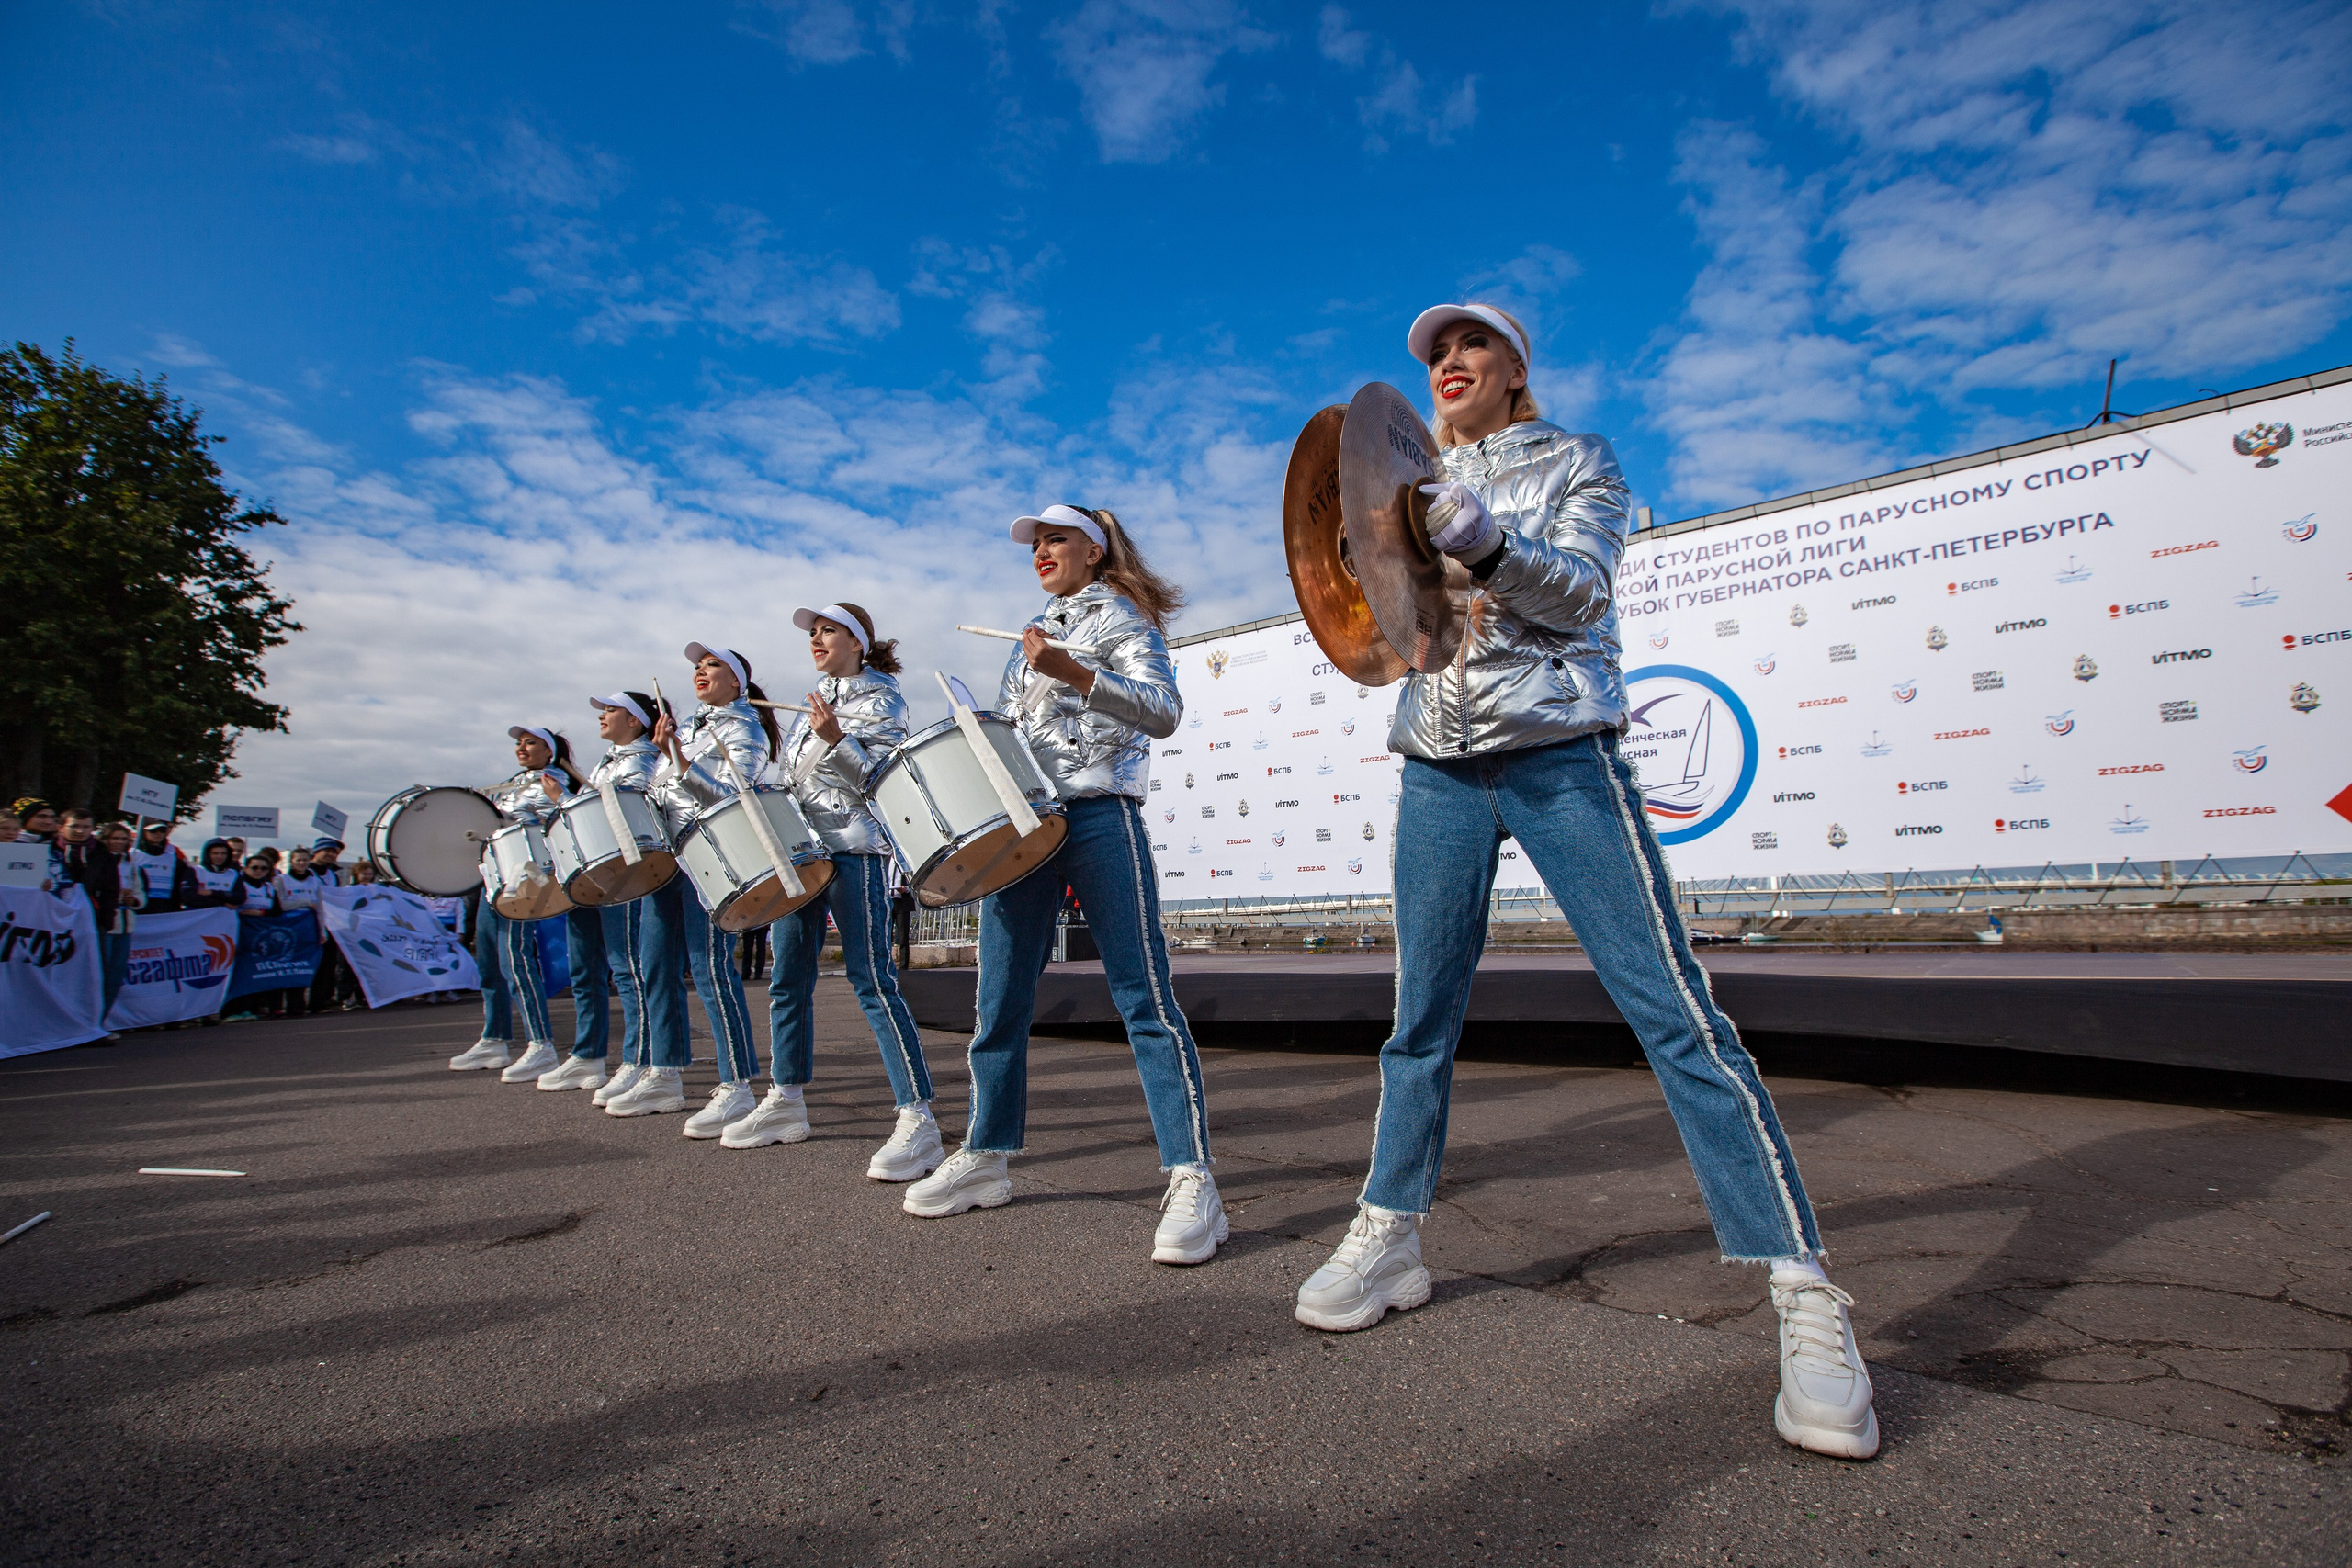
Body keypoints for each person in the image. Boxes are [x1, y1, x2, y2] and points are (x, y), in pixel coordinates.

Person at [1286, 302, 1880, 1461]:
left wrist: (1488, 541)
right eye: (1433, 355)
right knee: (1418, 1024)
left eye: (1471, 348)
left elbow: (1586, 595)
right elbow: (1379, 631)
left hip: (1563, 756)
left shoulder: (1579, 459)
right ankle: (1392, 1232)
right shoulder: (1397, 480)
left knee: (1675, 1017)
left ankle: (1803, 1295)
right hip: (1437, 772)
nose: (1447, 363)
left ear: (1516, 371)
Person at [903, 505, 1223, 1266]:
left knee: (1143, 997)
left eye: (1055, 539)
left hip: (1100, 811)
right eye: (1034, 543)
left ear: (1094, 547)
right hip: (1026, 824)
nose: (1041, 551)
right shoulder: (1028, 637)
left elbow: (1164, 710)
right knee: (999, 997)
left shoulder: (1121, 618)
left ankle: (1191, 1176)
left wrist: (1076, 671)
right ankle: (986, 1153)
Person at [730, 602, 939, 1179]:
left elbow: (875, 777)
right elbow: (799, 777)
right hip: (801, 854)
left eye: (829, 631)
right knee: (785, 979)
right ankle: (787, 1100)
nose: (817, 639)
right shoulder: (810, 700)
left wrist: (837, 736)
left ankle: (917, 1117)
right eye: (813, 632)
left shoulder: (882, 695)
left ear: (858, 642)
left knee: (871, 979)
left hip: (853, 849)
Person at [614, 644, 775, 1129]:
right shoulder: (687, 729)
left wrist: (678, 760)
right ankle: (664, 1073)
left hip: (705, 855)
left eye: (713, 665)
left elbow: (732, 795)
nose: (701, 672)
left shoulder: (744, 726)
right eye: (697, 667)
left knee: (710, 969)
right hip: (666, 857)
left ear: (737, 682)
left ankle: (737, 1084)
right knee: (655, 968)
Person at [530, 691, 665, 1097]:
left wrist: (563, 800)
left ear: (636, 721)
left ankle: (639, 1059)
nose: (603, 716)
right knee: (592, 970)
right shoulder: (611, 761)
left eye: (612, 710)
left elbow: (625, 813)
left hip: (626, 873)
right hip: (599, 871)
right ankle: (594, 1056)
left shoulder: (640, 759)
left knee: (629, 971)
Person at [447, 727, 575, 1076]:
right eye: (519, 743)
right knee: (488, 961)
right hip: (494, 876)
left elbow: (562, 823)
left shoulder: (551, 781)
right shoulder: (513, 783)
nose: (521, 747)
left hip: (523, 879)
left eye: (530, 742)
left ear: (549, 751)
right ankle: (495, 1039)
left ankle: (541, 1044)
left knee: (515, 962)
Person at [223, 852, 293, 1021]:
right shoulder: (239, 884)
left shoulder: (268, 887)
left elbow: (277, 911)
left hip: (259, 936)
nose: (259, 871)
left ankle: (250, 1008)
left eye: (263, 868)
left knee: (254, 971)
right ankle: (230, 1011)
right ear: (246, 868)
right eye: (254, 867)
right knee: (237, 971)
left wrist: (258, 912)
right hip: (240, 933)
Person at [129, 821, 202, 913]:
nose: (158, 834)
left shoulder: (173, 856)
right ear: (144, 832)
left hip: (166, 907)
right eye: (153, 831)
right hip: (140, 906)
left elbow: (184, 880)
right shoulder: (132, 855)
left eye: (162, 831)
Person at [191, 839, 243, 906]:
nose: (220, 856)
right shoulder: (195, 871)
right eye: (215, 853)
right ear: (208, 854)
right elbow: (189, 897)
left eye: (223, 854)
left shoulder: (233, 873)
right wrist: (223, 903)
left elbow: (240, 897)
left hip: (224, 915)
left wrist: (212, 893)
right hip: (199, 914)